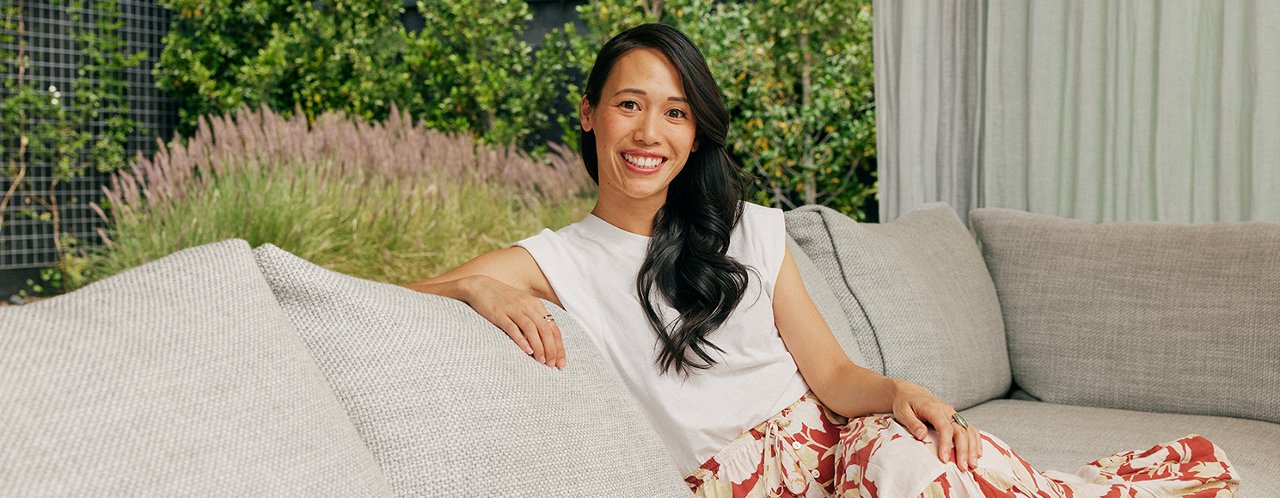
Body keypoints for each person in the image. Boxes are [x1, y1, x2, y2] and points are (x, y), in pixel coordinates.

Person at [406, 23, 1238, 498]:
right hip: (740, 483)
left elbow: (834, 377)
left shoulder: (749, 231)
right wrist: (478, 285)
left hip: (842, 442)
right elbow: (394, 295)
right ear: (589, 115)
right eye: (628, 106)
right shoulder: (559, 259)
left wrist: (899, 391)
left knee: (919, 465)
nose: (649, 133)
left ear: (695, 135)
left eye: (675, 113)